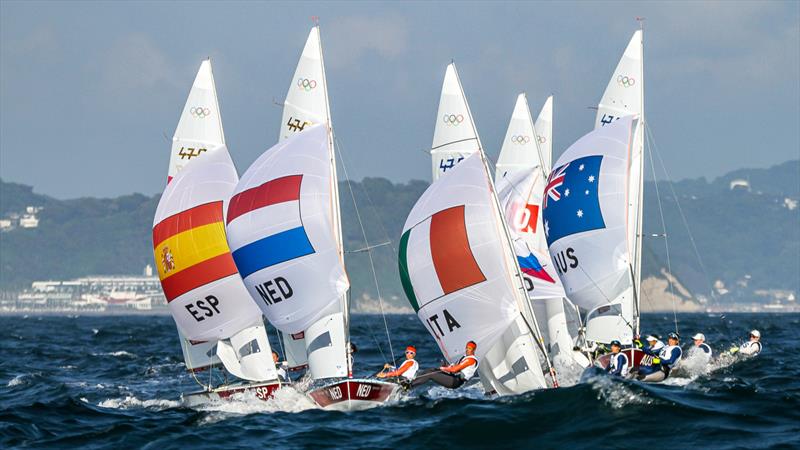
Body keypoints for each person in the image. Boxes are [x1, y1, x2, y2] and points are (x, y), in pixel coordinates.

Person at [411, 341, 479, 389]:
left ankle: (409, 386)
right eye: (466, 347)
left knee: (431, 374)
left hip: (455, 381)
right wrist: (446, 366)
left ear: (473, 350)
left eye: (469, 348)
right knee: (431, 370)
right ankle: (410, 382)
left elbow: (454, 369)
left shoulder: (470, 360)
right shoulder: (465, 357)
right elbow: (454, 368)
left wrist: (443, 368)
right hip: (453, 377)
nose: (467, 349)